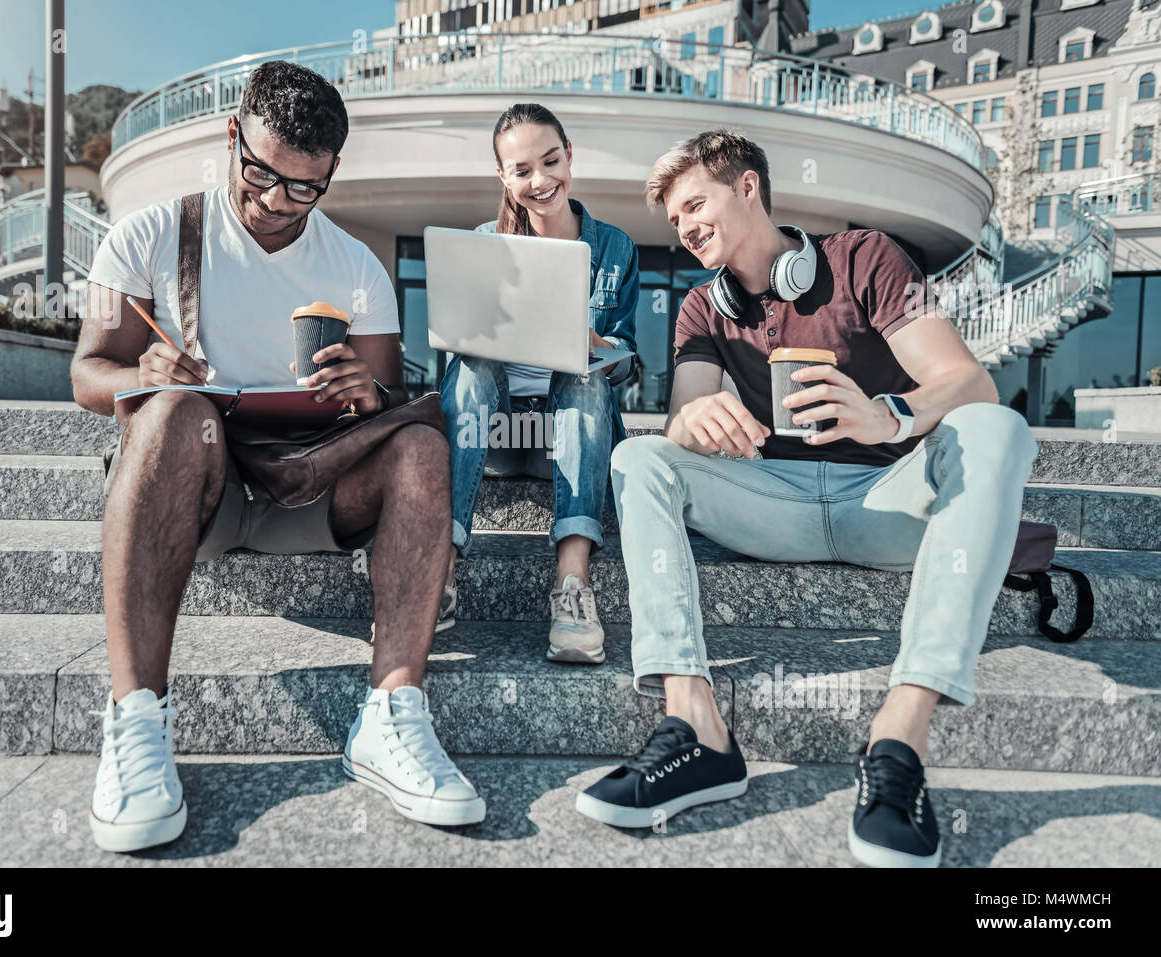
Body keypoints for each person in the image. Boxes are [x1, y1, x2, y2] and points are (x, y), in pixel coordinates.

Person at [577, 130, 1036, 868]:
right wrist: (693, 420)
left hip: (888, 498)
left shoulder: (867, 257)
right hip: (775, 502)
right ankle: (696, 729)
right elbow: (686, 415)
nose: (687, 226)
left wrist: (888, 412)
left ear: (749, 187)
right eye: (676, 220)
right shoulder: (702, 306)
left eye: (696, 204)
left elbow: (968, 380)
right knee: (639, 456)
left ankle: (898, 738)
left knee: (995, 427)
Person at [72, 62, 484, 852]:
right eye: (260, 173)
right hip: (202, 482)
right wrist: (143, 375)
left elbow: (387, 401)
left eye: (303, 188)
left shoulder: (358, 268)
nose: (273, 202)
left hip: (317, 487)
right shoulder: (149, 234)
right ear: (232, 135)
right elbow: (86, 372)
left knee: (424, 446)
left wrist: (369, 391)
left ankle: (392, 714)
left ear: (331, 175)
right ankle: (135, 719)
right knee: (172, 417)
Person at [438, 103, 639, 664]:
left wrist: (603, 346)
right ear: (503, 176)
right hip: (495, 434)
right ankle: (440, 571)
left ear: (570, 156)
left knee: (584, 375)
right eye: (521, 170)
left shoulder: (616, 247)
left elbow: (626, 360)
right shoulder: (483, 243)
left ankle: (572, 585)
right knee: (472, 365)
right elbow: (456, 363)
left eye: (551, 161)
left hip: (569, 438)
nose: (540, 181)